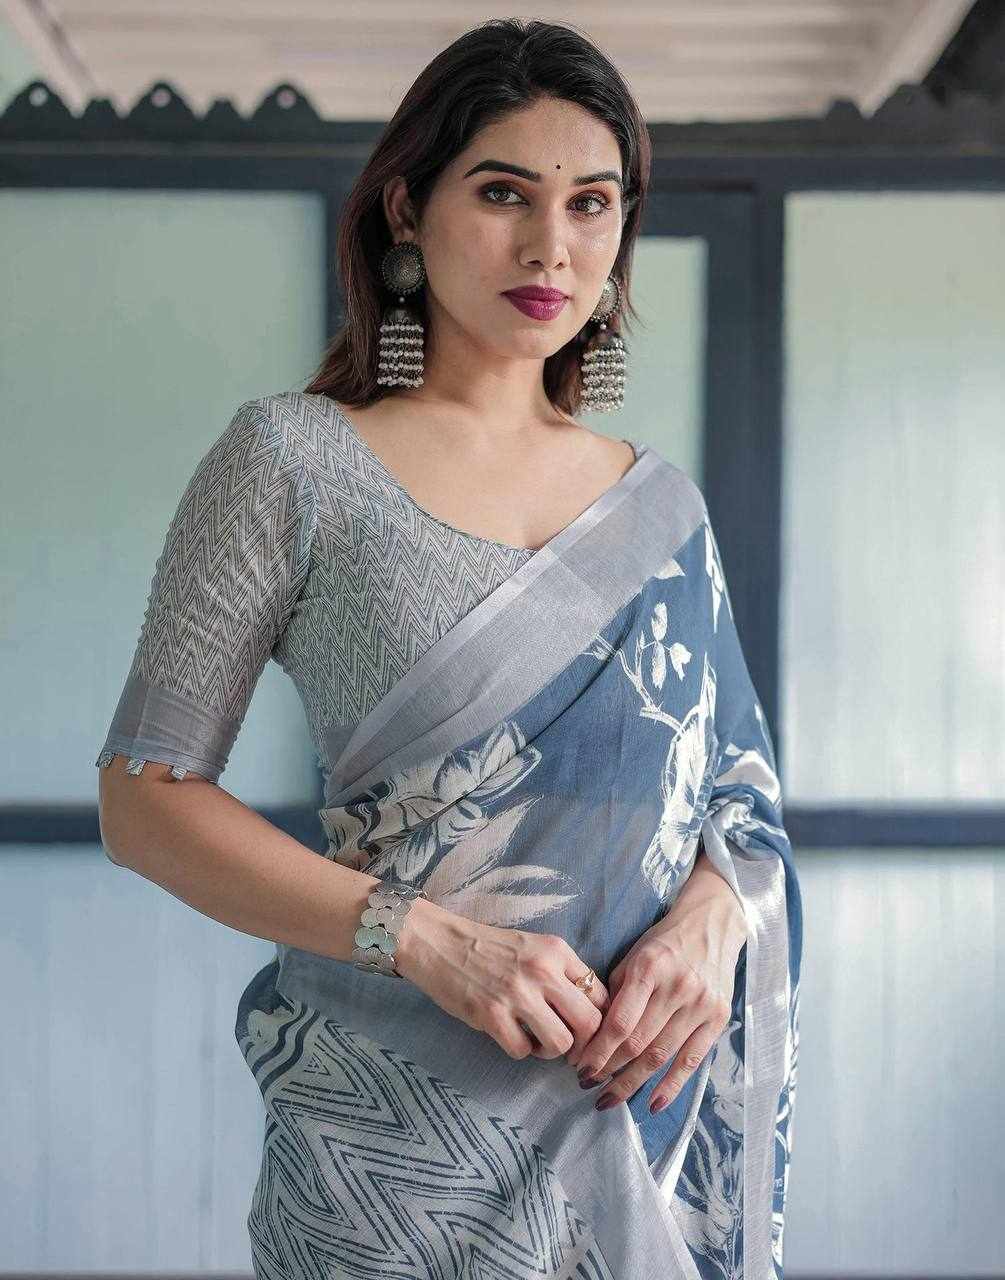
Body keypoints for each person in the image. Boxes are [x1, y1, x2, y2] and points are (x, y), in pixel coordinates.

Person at [96, 18, 802, 1280]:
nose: (551, 246)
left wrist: (716, 916)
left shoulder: (661, 510)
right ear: (406, 211)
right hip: (382, 1159)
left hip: (628, 1138)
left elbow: (740, 791)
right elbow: (143, 803)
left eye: (592, 204)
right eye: (503, 193)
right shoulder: (293, 462)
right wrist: (423, 937)